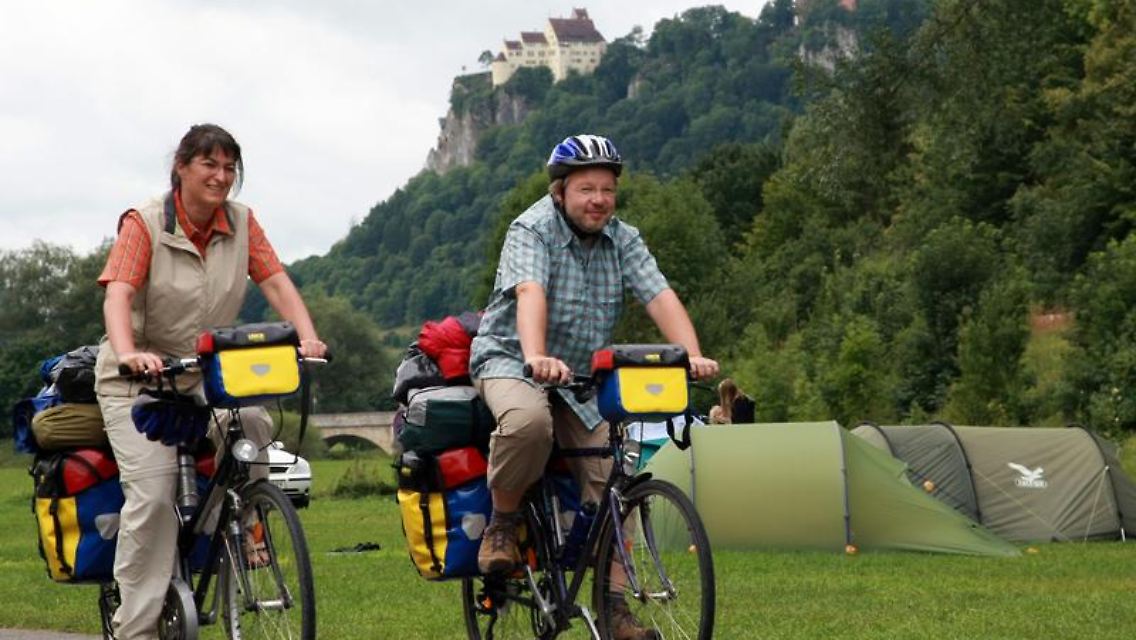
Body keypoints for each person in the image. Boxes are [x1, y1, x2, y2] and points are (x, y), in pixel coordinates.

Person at [469, 134, 718, 640]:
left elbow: (659, 293)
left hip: (580, 377)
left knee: (616, 476)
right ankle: (502, 524)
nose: (599, 199)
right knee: (527, 424)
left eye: (607, 189)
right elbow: (529, 292)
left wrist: (690, 353)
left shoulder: (623, 238)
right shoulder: (531, 229)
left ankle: (614, 608)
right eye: (587, 188)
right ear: (561, 191)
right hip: (513, 359)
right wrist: (536, 355)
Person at [92, 124, 327, 640]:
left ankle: (238, 524)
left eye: (229, 168)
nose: (222, 177)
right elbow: (118, 294)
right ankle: (136, 629)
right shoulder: (146, 222)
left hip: (204, 373)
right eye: (209, 166)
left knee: (256, 425)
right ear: (182, 167)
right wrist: (130, 353)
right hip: (138, 380)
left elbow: (276, 282)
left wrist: (308, 338)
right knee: (153, 500)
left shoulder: (242, 222)